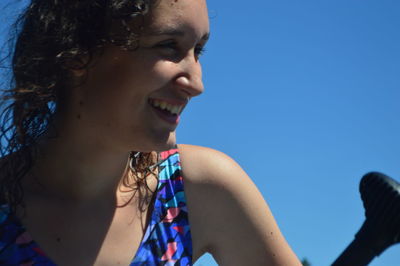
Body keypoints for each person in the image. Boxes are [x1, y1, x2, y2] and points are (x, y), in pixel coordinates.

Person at [0, 0, 301, 265]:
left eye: (198, 51)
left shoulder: (197, 189)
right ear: (77, 51)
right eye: (169, 45)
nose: (197, 84)